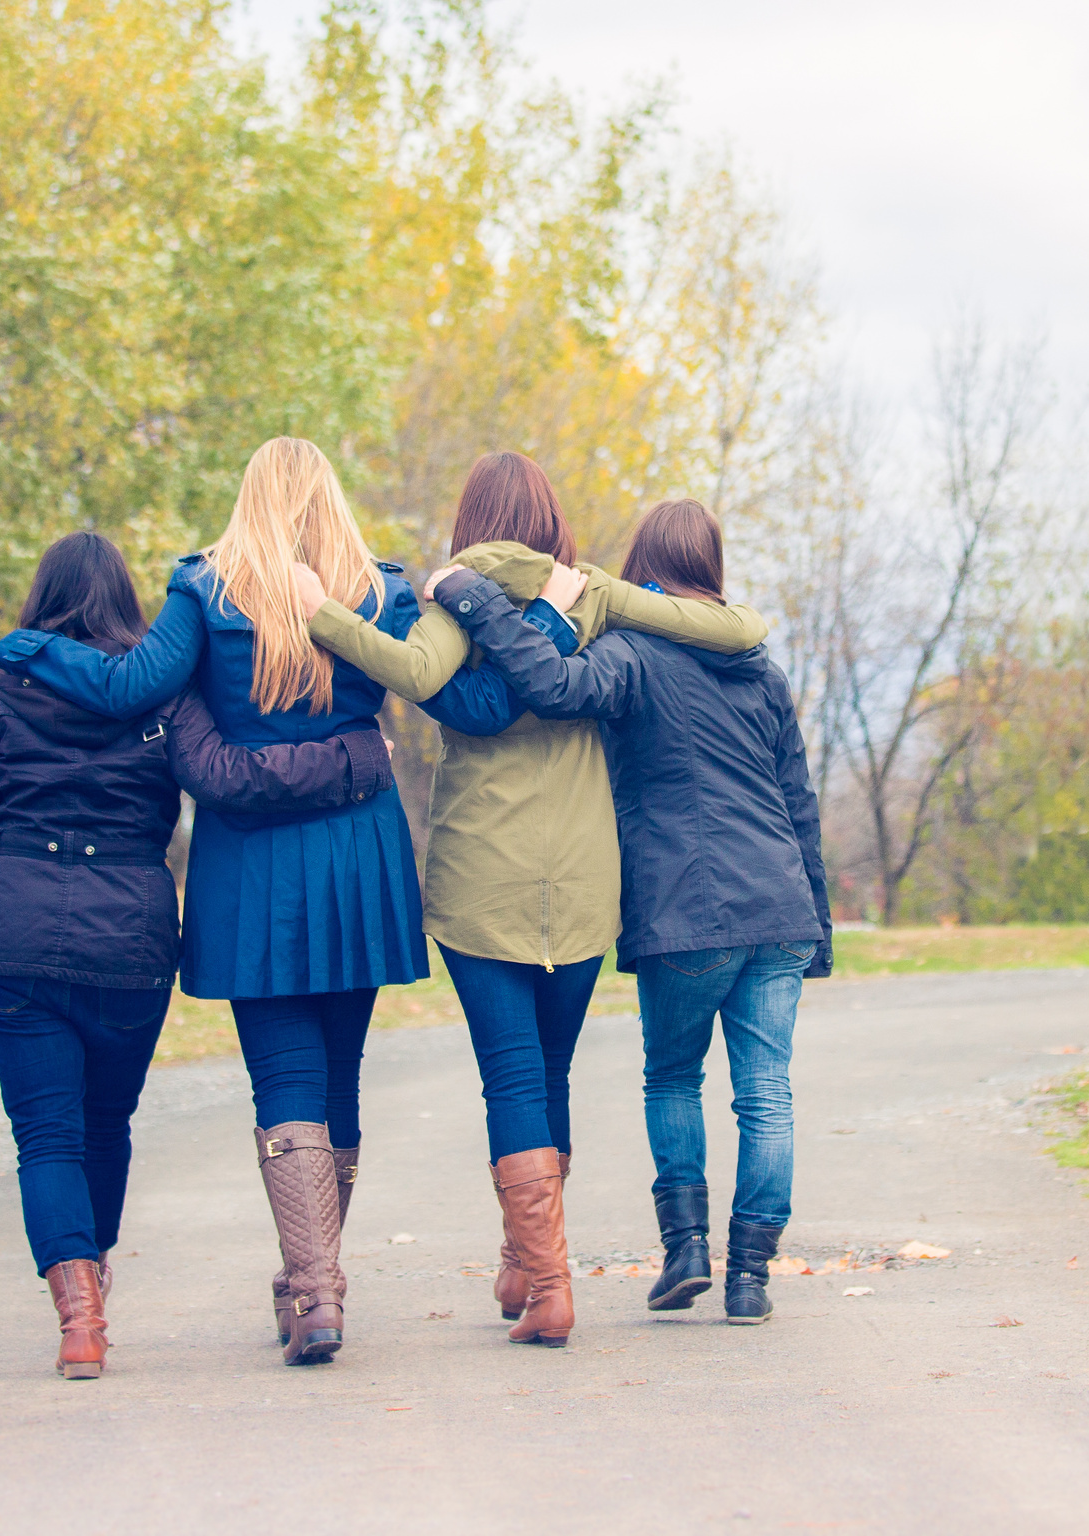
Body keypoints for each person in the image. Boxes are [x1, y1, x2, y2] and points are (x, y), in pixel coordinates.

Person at [0, 439, 537, 1366]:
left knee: (285, 1078)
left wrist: (25, 646)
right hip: (358, 852)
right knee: (340, 1074)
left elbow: (127, 688)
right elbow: (443, 687)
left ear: (248, 500)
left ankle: (315, 1290)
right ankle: (312, 1282)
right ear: (329, 500)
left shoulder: (204, 592)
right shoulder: (383, 593)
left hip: (252, 867)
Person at [291, 452, 770, 1347]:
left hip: (482, 876)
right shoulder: (593, 596)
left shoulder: (450, 599)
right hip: (587, 876)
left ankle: (547, 1282)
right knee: (549, 1072)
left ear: (471, 522)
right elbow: (736, 630)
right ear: (552, 522)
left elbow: (413, 674)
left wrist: (313, 608)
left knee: (510, 1074)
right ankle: (528, 1261)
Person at [0, 530, 388, 1380]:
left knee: (46, 1138)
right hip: (129, 941)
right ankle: (100, 1292)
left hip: (14, 932)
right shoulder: (164, 699)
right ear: (129, 606)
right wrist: (355, 754)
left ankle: (81, 1320)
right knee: (103, 1124)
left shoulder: (1, 697)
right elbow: (234, 779)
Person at [426, 498, 831, 1325]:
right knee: (769, 1094)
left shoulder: (631, 654)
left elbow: (545, 683)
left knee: (674, 1076)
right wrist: (817, 925)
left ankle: (685, 1251)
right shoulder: (761, 668)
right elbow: (800, 802)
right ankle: (750, 1276)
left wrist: (473, 599)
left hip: (687, 909)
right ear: (712, 572)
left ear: (643, 572)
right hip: (782, 907)